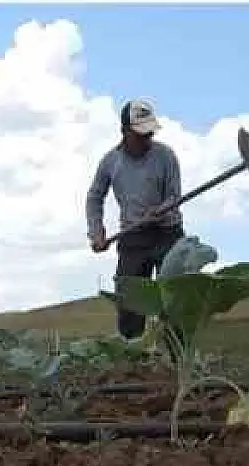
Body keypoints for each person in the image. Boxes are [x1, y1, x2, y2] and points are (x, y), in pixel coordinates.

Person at [85, 98, 185, 341]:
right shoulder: (111, 162)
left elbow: (174, 195)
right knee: (129, 305)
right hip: (133, 237)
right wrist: (96, 231)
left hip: (167, 234)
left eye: (149, 133)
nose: (146, 139)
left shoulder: (165, 155)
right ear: (125, 131)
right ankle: (134, 363)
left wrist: (161, 209)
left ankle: (179, 364)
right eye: (140, 134)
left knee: (175, 303)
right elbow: (94, 197)